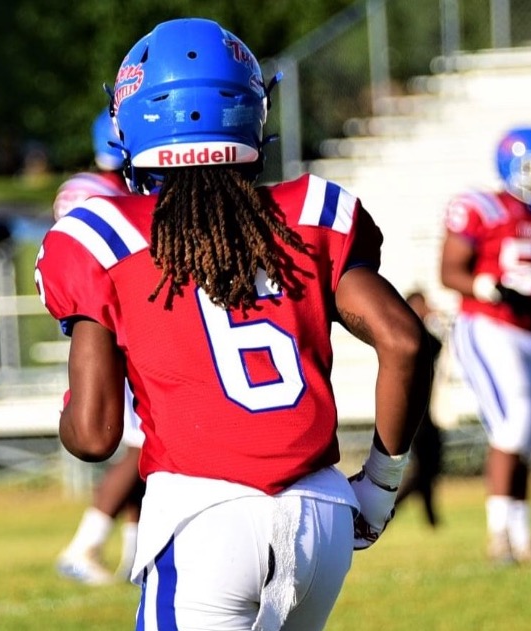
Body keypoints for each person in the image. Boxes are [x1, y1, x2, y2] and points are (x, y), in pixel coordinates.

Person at [35, 17, 432, 631]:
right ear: (251, 110)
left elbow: (93, 436)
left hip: (203, 517)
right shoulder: (310, 214)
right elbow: (405, 342)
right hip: (320, 514)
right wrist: (380, 487)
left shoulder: (100, 234)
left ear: (131, 121)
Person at [440, 126, 531, 565]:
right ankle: (498, 536)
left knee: (527, 435)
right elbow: (450, 272)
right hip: (489, 326)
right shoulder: (484, 208)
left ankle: (521, 538)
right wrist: (485, 287)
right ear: (511, 169)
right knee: (514, 422)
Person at [53, 109, 145, 585]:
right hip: (113, 329)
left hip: (102, 326)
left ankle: (135, 557)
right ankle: (83, 545)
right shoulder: (103, 194)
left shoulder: (90, 187)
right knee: (143, 445)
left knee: (144, 447)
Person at [394, 290, 444, 527]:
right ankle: (389, 511)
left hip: (425, 411)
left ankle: (432, 519)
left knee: (428, 468)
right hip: (416, 413)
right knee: (423, 471)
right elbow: (434, 346)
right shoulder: (411, 337)